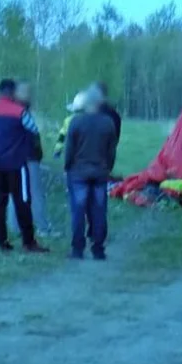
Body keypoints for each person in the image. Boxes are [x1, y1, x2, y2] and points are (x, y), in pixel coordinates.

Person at [0, 79, 49, 253]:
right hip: (16, 164)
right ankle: (28, 241)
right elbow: (33, 129)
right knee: (22, 202)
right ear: (12, 92)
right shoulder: (19, 112)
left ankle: (0, 240)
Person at [64, 88, 118, 260]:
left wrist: (68, 167)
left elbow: (69, 149)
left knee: (78, 212)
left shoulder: (76, 122)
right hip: (100, 173)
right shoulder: (108, 123)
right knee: (99, 211)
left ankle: (77, 249)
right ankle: (98, 249)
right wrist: (108, 168)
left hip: (78, 172)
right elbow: (111, 151)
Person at [6, 81, 52, 237]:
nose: (29, 94)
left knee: (16, 192)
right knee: (35, 192)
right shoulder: (20, 111)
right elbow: (31, 134)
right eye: (26, 91)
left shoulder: (13, 110)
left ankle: (15, 226)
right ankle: (42, 226)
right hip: (27, 157)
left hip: (16, 157)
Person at [54, 91, 87, 158]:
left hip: (72, 153)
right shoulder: (92, 121)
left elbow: (61, 136)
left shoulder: (68, 120)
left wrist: (58, 150)